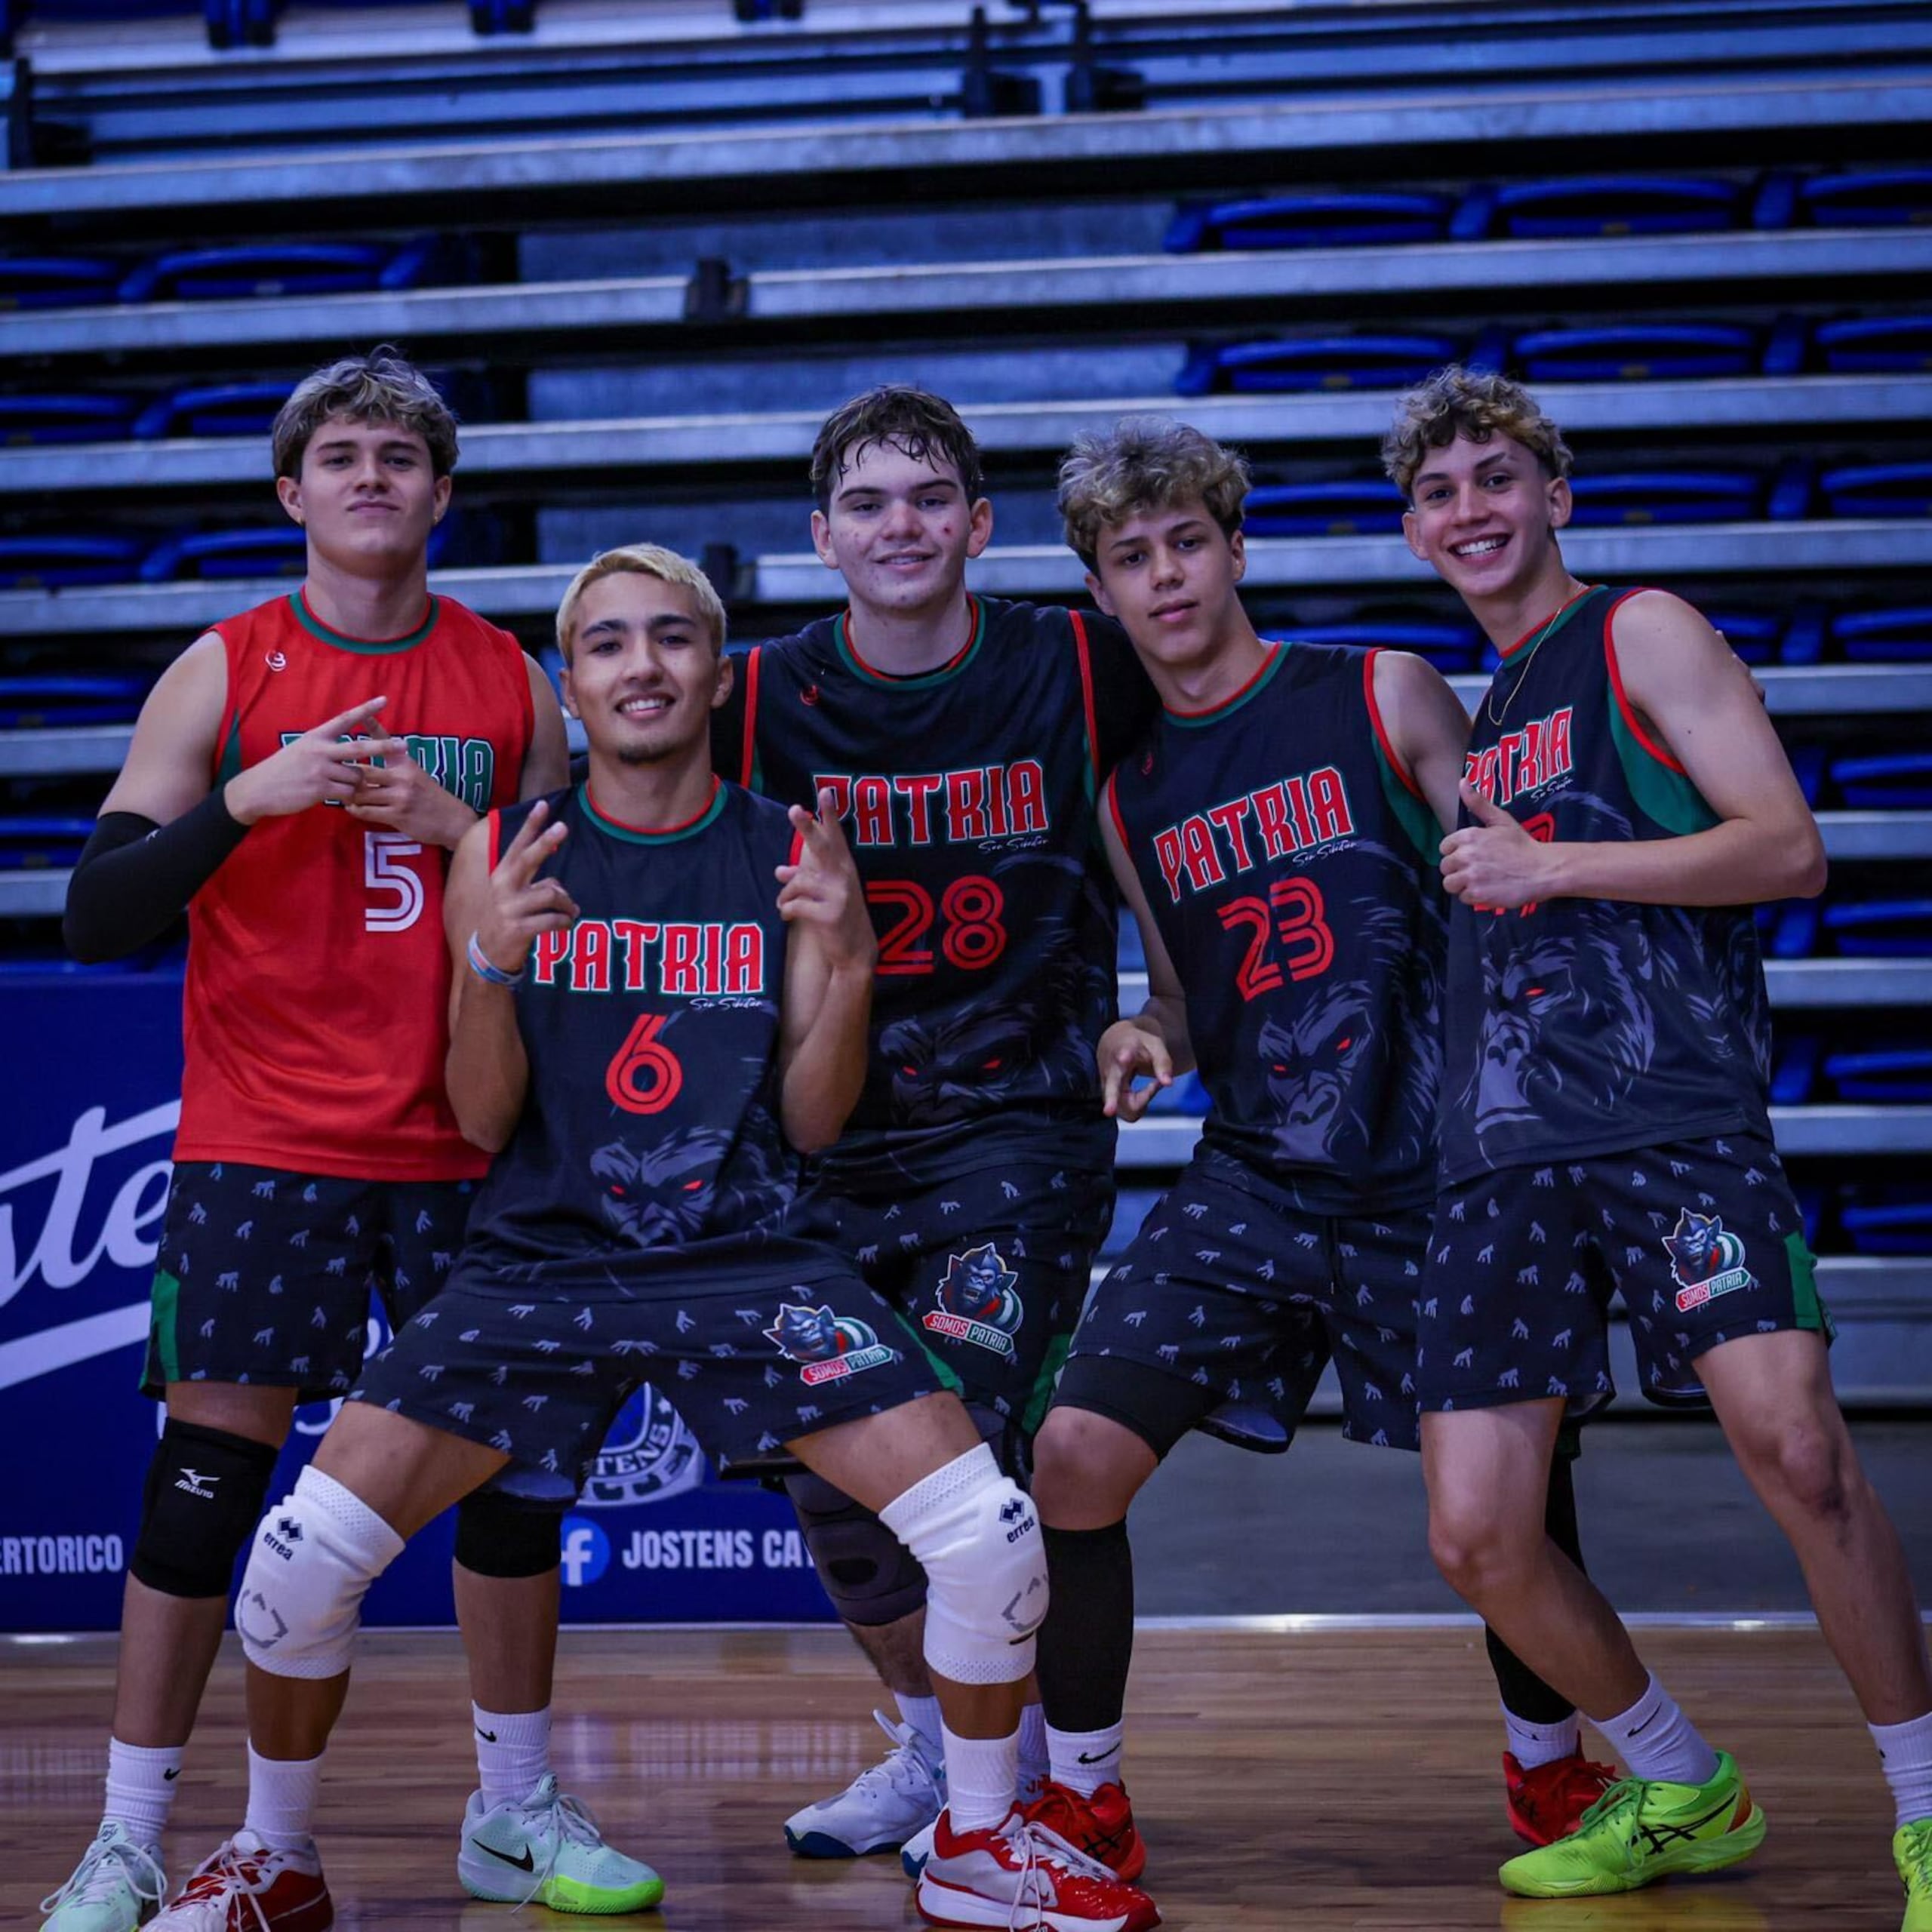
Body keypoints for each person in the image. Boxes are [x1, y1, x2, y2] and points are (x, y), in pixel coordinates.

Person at [146, 544, 1158, 1932]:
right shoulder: (505, 847)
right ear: (571, 686)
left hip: (747, 1254)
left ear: (718, 675)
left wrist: (852, 959)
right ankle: (278, 1855)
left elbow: (812, 1121)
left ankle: (980, 1839)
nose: (643, 666)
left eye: (673, 639)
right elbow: (481, 1113)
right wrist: (491, 967)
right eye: (610, 643)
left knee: (987, 1535)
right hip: (541, 1261)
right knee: (295, 1567)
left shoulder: (790, 849)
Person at [40, 349, 668, 1932]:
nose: (372, 476)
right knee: (204, 1484)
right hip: (264, 1140)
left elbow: (580, 923)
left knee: (513, 1481)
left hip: (468, 1136)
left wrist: (464, 836)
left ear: (443, 492)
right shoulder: (224, 667)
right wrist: (247, 801)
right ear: (291, 492)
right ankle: (127, 1837)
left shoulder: (509, 680)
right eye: (342, 457)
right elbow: (98, 914)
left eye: (400, 455)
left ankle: (511, 1809)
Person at [1014, 415, 1611, 1880]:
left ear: (1236, 548)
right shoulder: (1127, 788)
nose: (1164, 575)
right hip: (1257, 1174)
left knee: (1510, 1501)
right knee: (1072, 1457)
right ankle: (1083, 1797)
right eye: (1131, 556)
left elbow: (1521, 893)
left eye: (1186, 542)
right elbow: (1175, 989)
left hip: (1438, 1167)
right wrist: (1143, 1030)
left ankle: (1553, 1770)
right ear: (1099, 588)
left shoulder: (1379, 689)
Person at [1387, 365, 1932, 1922]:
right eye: (1438, 491)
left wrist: (1556, 865)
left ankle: (1923, 1806)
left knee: (1800, 1455)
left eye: (1496, 477)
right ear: (1413, 530)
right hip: (1504, 1151)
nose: (1470, 509)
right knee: (1475, 1532)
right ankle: (1682, 1782)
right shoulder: (1486, 707)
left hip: (1671, 1118)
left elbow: (1788, 847)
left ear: (1554, 494)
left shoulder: (1640, 629)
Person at [712, 386, 1161, 1860]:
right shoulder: (757, 698)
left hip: (1019, 1125)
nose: (896, 526)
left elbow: (1213, 762)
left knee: (953, 1448)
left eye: (925, 499)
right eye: (866, 503)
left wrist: (1164, 1003)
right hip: (827, 1130)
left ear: (977, 523)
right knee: (831, 1467)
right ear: (820, 536)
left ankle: (1014, 1781)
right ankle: (936, 1744)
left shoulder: (1080, 660)